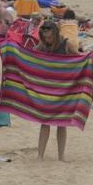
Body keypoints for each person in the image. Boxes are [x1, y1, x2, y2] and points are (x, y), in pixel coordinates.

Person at [34, 21, 78, 162]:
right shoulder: (43, 45)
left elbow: (79, 57)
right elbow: (30, 55)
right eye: (44, 36)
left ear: (55, 33)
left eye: (49, 36)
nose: (47, 39)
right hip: (47, 88)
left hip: (64, 89)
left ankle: (61, 156)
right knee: (45, 121)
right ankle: (40, 156)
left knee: (62, 122)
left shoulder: (66, 44)